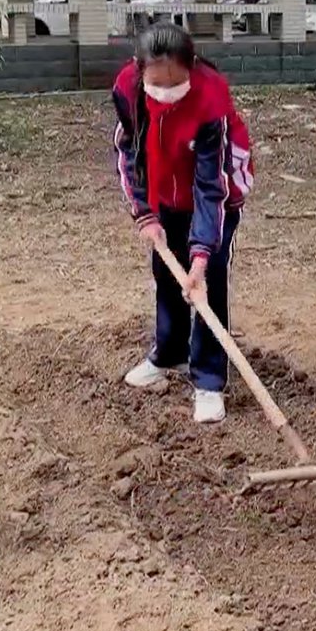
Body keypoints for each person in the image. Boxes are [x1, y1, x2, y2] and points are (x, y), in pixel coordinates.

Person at [117, 23, 254, 426]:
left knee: (205, 283)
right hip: (163, 191)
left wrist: (199, 257)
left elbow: (211, 186)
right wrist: (144, 212)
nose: (165, 92)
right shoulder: (128, 90)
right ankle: (169, 353)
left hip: (216, 192)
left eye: (175, 83)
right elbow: (130, 153)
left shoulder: (210, 99)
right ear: (139, 72)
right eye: (156, 84)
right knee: (165, 272)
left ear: (192, 67)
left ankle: (209, 381)